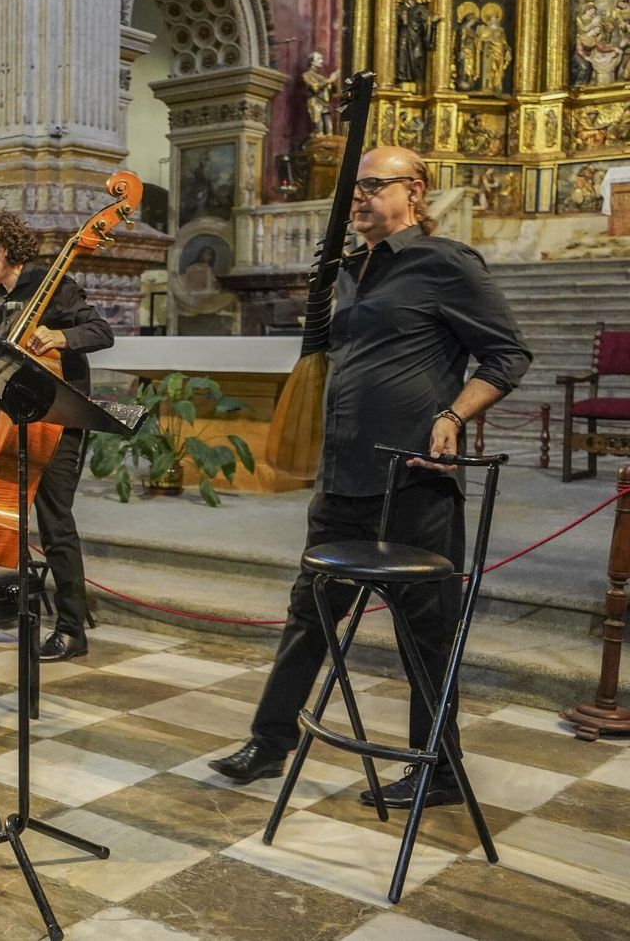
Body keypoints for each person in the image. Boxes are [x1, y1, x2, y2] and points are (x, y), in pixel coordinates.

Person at [209, 147, 531, 810]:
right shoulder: (346, 270)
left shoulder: (445, 264)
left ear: (414, 191)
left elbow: (508, 353)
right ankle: (270, 742)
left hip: (412, 479)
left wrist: (452, 413)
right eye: (353, 188)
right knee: (310, 614)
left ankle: (440, 768)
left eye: (371, 185)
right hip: (342, 476)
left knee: (424, 630)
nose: (356, 197)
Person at [0, 209, 116, 661]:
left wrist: (58, 336)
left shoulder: (53, 284)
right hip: (9, 420)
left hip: (56, 420)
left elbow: (101, 331)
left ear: (4, 249)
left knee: (55, 524)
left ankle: (71, 630)